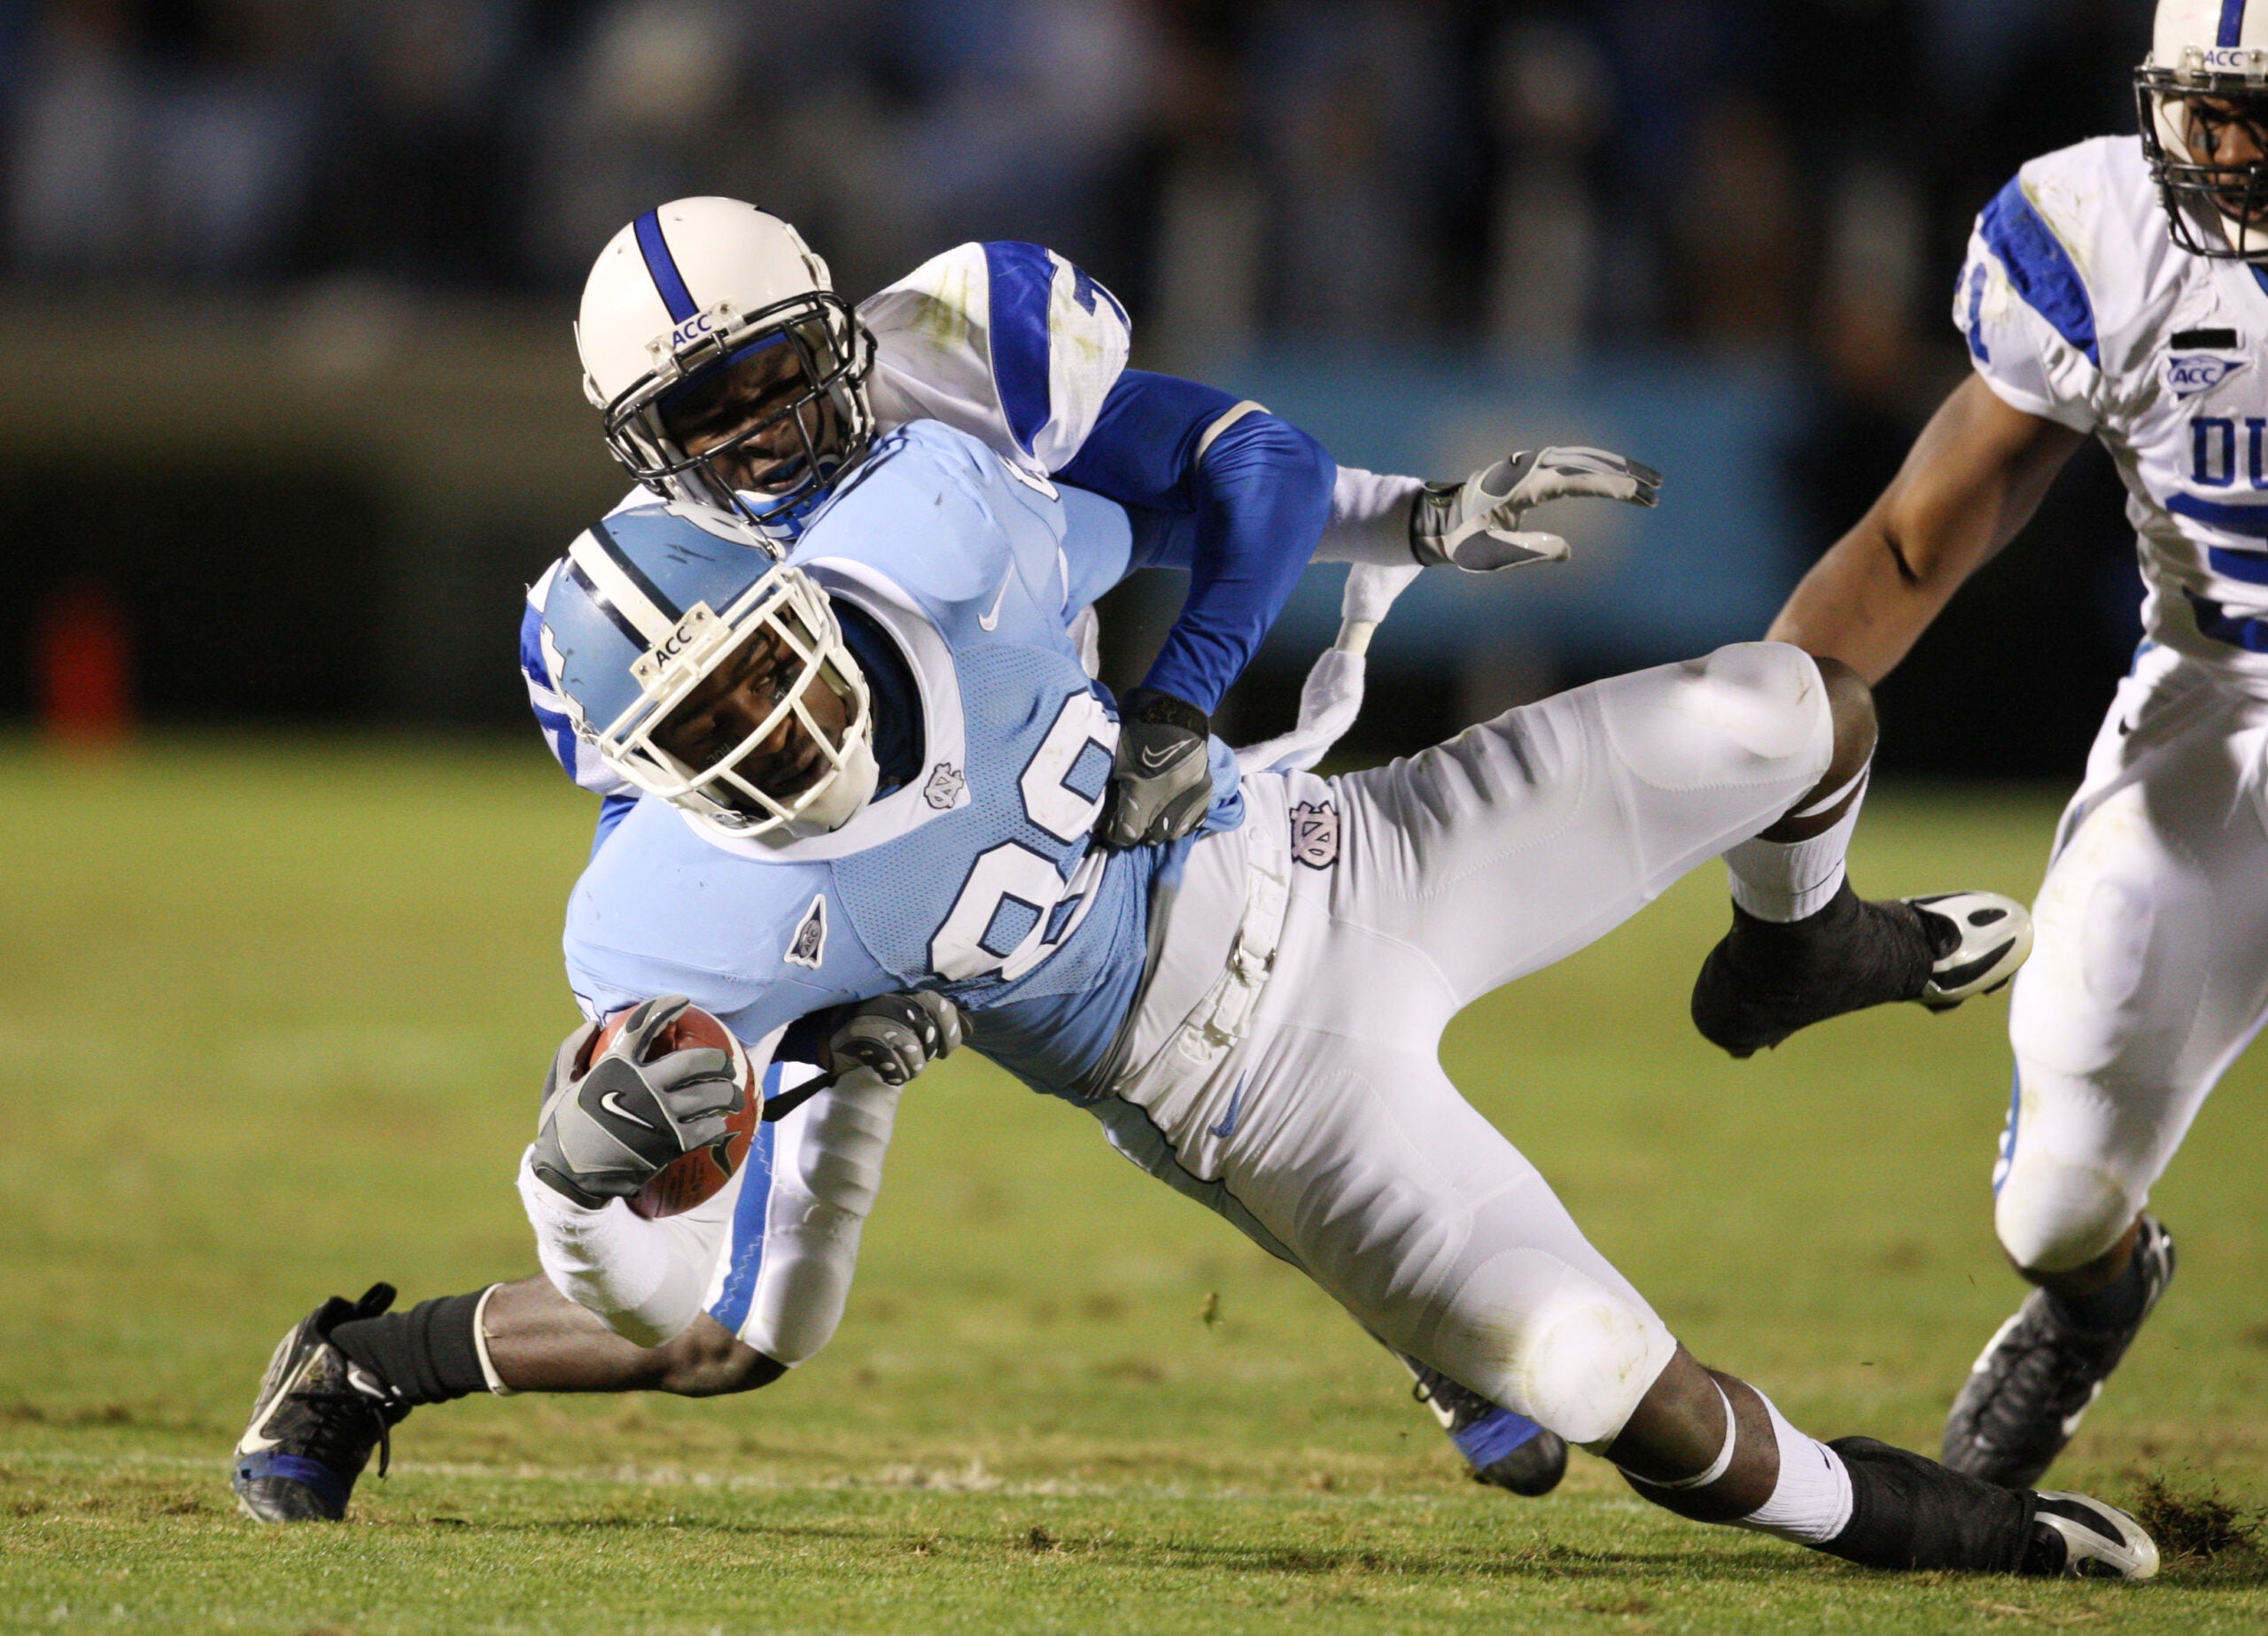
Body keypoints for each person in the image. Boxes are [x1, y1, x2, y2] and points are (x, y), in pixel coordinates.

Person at [238, 395, 2139, 1572]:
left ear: (796, 580)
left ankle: (1795, 940)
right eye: (700, 722)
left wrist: (1408, 520)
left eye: (754, 660)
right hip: (1263, 1097)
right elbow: (651, 1276)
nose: (762, 718)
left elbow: (1217, 481)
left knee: (1788, 703)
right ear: (633, 778)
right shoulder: (670, 922)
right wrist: (574, 1187)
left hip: (1366, 853)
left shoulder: (930, 525)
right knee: (1597, 1381)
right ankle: (1938, 1529)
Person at [526, 195, 1658, 1493]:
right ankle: (374, 1366)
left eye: (772, 374)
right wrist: (810, 1017)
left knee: (1215, 1074)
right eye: (701, 415)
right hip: (836, 895)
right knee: (761, 1323)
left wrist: (1203, 685)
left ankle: (1437, 1321)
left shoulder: (952, 380)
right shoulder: (650, 590)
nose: (758, 430)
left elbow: (1239, 467)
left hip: (1051, 796)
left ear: (832, 330)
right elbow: (661, 820)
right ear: (644, 446)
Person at [1764, 0, 2264, 1491]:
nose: (2232, 152)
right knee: (2051, 1205)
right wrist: (1752, 741)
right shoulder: (2106, 232)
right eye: (2209, 111)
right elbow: (1921, 543)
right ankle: (2098, 1295)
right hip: (2220, 725)